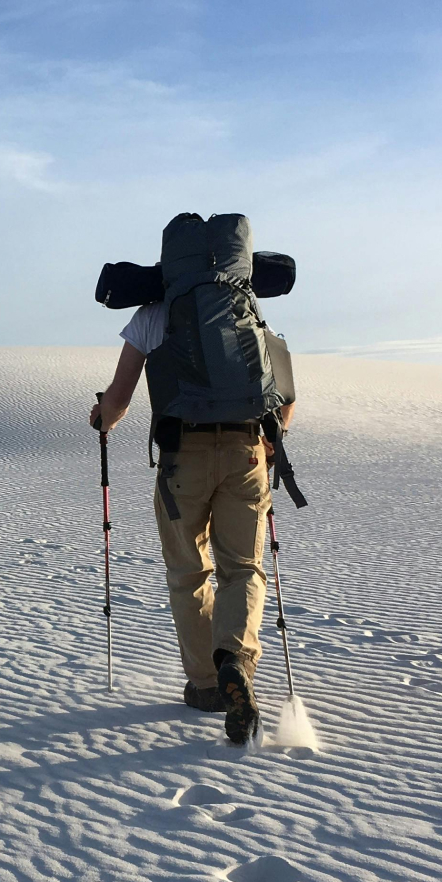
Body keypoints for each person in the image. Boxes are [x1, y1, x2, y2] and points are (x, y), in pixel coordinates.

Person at [89, 300, 294, 745]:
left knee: (188, 571)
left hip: (183, 458)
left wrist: (103, 417)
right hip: (246, 452)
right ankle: (236, 659)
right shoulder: (244, 307)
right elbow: (286, 396)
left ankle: (207, 685)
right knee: (243, 567)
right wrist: (270, 445)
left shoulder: (150, 318)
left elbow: (118, 401)